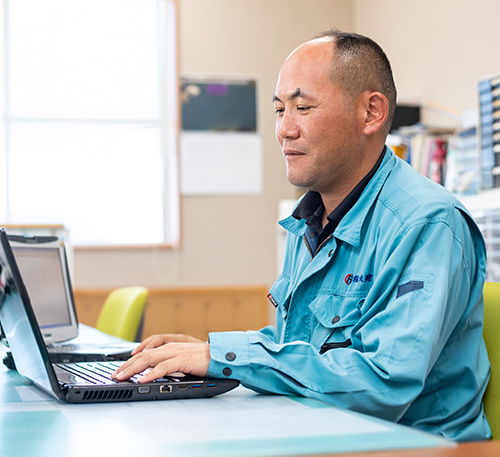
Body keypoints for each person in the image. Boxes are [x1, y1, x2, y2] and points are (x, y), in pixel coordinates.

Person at [113, 29, 491, 442]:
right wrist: (208, 353)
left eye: (303, 107)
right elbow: (302, 347)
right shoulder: (310, 219)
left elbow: (384, 382)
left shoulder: (427, 222)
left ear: (371, 113)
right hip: (323, 434)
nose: (284, 130)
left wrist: (227, 358)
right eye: (279, 111)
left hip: (415, 447)